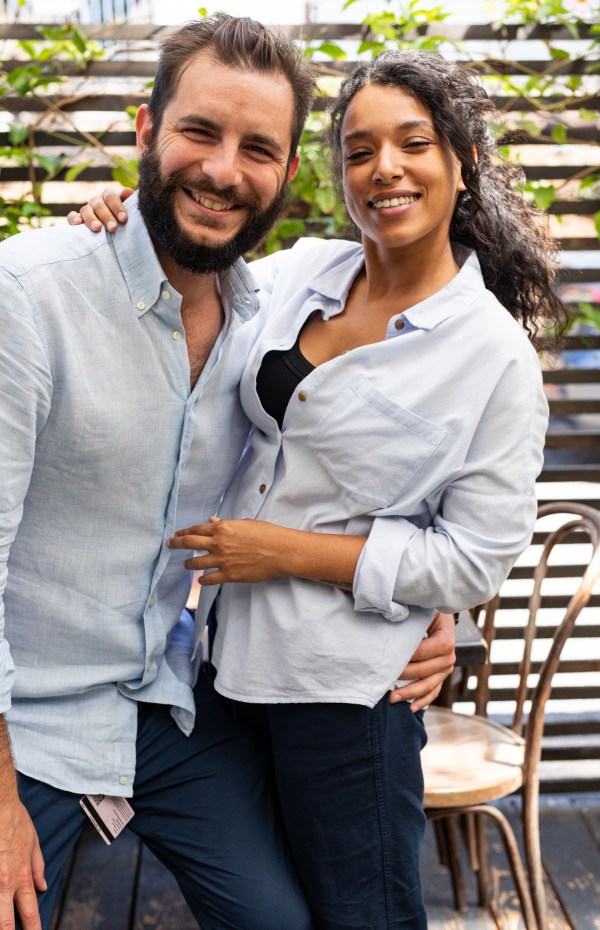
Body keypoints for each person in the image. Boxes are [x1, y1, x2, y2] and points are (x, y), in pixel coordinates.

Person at [79, 49, 568, 929]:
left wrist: (287, 554)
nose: (384, 168)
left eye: (412, 144)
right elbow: (186, 282)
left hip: (345, 702)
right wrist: (118, 218)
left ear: (462, 164)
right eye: (358, 150)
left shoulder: (492, 357)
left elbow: (475, 559)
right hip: (222, 673)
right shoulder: (299, 273)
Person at [0, 16, 457, 930]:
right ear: (145, 130)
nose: (222, 170)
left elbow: (356, 473)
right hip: (26, 723)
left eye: (257, 149)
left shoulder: (274, 319)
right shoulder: (29, 295)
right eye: (199, 132)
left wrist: (434, 608)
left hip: (162, 704)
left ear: (286, 175)